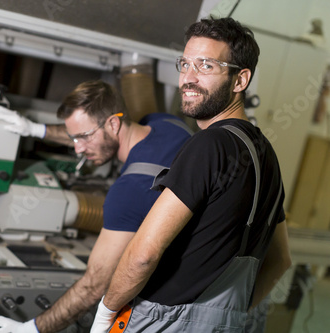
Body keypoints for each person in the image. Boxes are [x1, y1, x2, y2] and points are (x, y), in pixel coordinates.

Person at [90, 17, 292, 333]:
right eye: (184, 64)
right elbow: (280, 261)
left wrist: (106, 312)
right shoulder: (265, 154)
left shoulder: (209, 144)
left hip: (161, 321)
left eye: (206, 66)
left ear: (240, 80)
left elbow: (144, 254)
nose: (188, 77)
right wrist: (225, 316)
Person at [0, 80, 193, 333]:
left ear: (114, 124)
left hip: (176, 309)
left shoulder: (129, 191)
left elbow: (93, 285)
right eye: (74, 137)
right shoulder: (167, 124)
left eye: (83, 137)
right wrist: (35, 129)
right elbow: (86, 131)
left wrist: (32, 329)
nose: (77, 148)